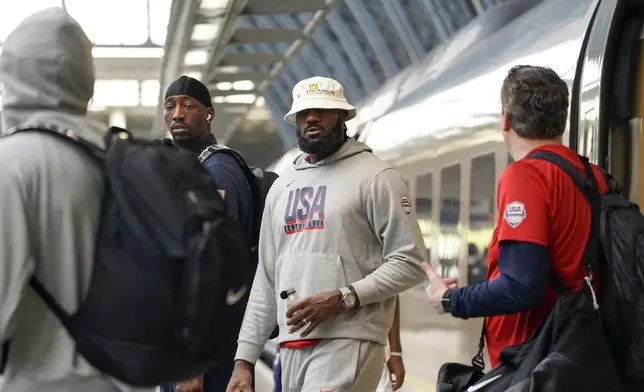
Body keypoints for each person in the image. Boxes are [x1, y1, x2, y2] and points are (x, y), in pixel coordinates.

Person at [226, 76, 427, 392]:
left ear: (344, 117)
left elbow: (411, 261)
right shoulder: (282, 187)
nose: (312, 118)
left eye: (322, 110)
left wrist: (345, 296)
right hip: (292, 344)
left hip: (350, 338)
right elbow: (266, 279)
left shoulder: (376, 177)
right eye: (304, 113)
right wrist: (244, 361)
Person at [0, 7, 154, 392]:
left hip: (45, 383)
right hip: (125, 380)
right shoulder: (121, 155)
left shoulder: (13, 161)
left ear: (12, 68)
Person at [422, 65, 609, 367]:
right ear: (560, 120)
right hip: (578, 354)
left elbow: (521, 285)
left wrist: (450, 300)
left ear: (506, 119)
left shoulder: (526, 176)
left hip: (533, 362)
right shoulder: (595, 177)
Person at [161, 76, 254, 392]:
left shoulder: (217, 171)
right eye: (171, 106)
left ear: (209, 114)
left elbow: (217, 268)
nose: (177, 114)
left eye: (188, 106)